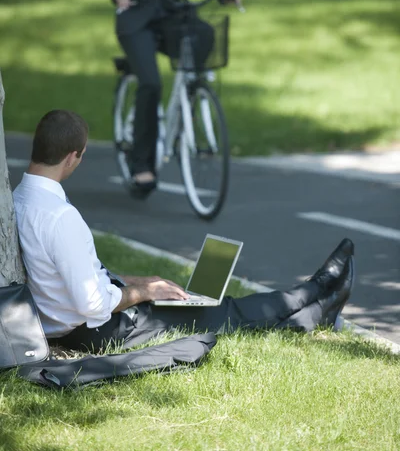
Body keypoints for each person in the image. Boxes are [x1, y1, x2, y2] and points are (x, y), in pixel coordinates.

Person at [13, 110, 355, 353]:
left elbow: (74, 277)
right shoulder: (60, 216)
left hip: (70, 324)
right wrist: (144, 294)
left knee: (198, 305)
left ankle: (317, 310)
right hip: (97, 330)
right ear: (73, 157)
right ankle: (316, 289)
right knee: (223, 312)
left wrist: (140, 282)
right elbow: (92, 304)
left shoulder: (19, 200)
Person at [105, 0, 239, 194]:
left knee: (204, 33)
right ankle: (141, 166)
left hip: (169, 13)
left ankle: (190, 102)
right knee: (150, 82)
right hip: (136, 18)